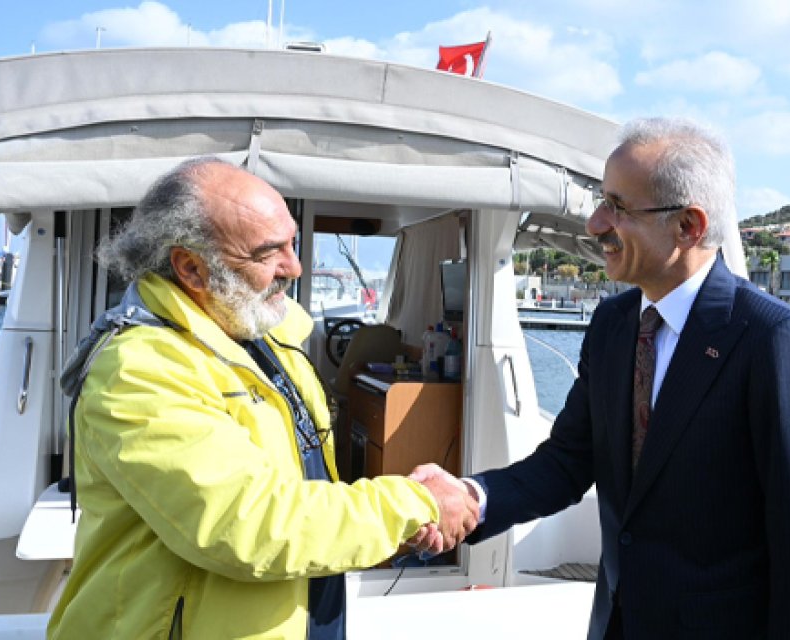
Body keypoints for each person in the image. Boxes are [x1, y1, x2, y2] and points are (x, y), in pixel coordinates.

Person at [414, 117, 790, 639]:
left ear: (688, 226)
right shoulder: (614, 325)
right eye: (602, 201)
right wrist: (471, 498)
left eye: (617, 207)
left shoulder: (773, 342)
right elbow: (569, 461)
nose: (596, 223)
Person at [48, 157, 477, 640]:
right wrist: (413, 504)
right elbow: (249, 524)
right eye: (268, 252)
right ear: (191, 268)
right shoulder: (139, 370)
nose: (294, 267)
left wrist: (390, 529)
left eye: (292, 242)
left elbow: (306, 491)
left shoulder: (260, 337)